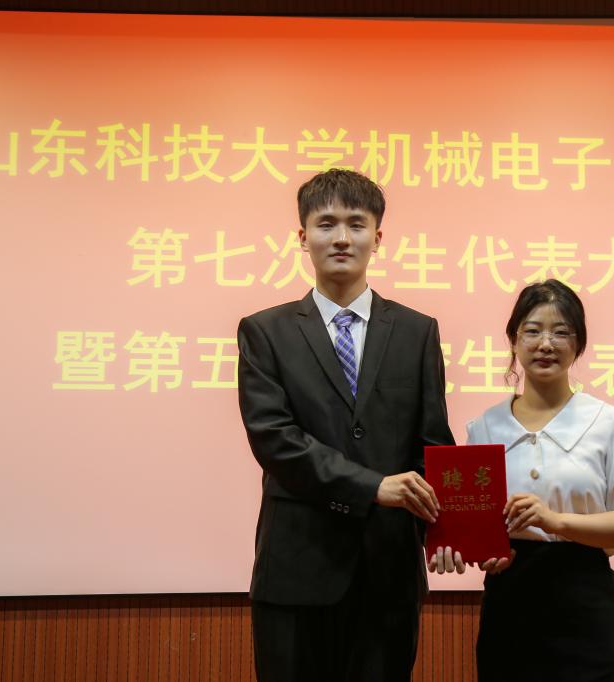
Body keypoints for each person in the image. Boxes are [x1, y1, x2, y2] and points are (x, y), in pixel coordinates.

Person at [236, 169, 454, 682]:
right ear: (302, 236)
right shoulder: (264, 332)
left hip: (389, 573)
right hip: (296, 568)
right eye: (326, 224)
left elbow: (433, 444)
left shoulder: (417, 332)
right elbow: (275, 440)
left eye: (356, 224)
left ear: (377, 238)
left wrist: (448, 529)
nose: (341, 238)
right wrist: (373, 486)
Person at [467, 279, 614, 682]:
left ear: (578, 344)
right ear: (514, 340)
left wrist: (555, 520)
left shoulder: (607, 421)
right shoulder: (484, 428)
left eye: (561, 332)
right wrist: (481, 553)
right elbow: (477, 527)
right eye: (532, 331)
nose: (545, 344)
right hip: (509, 606)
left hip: (587, 604)